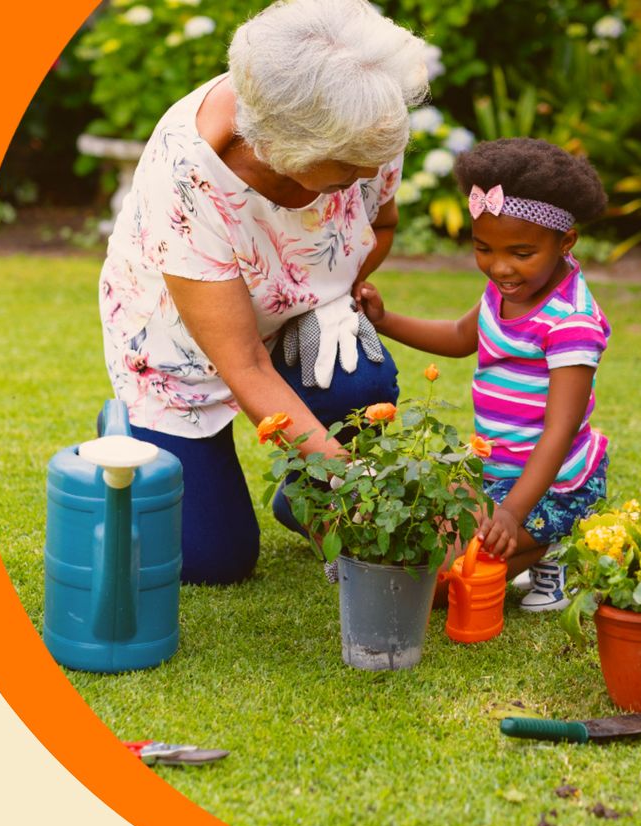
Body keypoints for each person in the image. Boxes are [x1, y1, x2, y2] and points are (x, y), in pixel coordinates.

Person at [97, 0, 430, 585]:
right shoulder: (190, 170)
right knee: (213, 561)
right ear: (282, 150)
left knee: (361, 378)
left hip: (293, 307)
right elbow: (245, 364)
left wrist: (335, 301)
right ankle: (126, 429)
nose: (367, 177)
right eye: (348, 171)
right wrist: (362, 486)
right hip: (179, 341)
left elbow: (380, 226)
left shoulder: (367, 118)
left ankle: (304, 494)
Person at [356, 138, 611, 611]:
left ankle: (559, 541)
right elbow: (458, 336)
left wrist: (513, 514)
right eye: (483, 248)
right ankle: (525, 545)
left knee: (436, 589)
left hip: (552, 487)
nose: (499, 267)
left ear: (565, 242)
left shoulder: (571, 321)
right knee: (413, 532)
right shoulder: (503, 291)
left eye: (520, 252)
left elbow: (560, 431)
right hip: (494, 473)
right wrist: (384, 321)